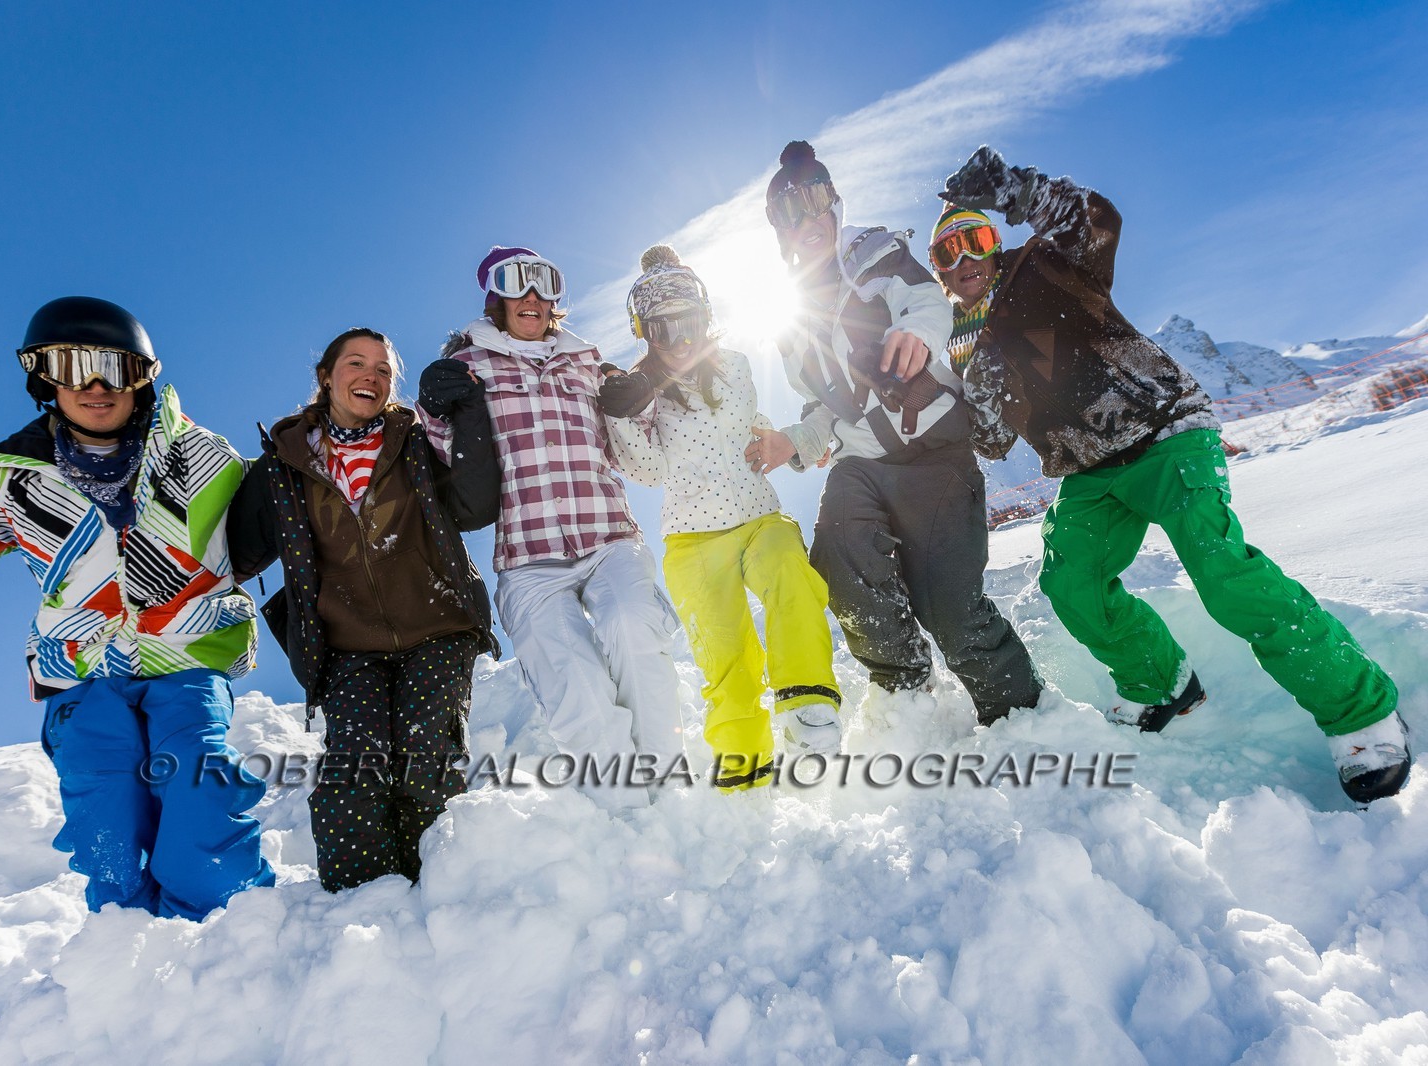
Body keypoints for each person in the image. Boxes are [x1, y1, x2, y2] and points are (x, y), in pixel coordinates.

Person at [933, 145, 1409, 804]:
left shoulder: (1047, 265)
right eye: (945, 257)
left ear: (993, 244)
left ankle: (1361, 714)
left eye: (973, 241)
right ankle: (1161, 684)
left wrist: (1014, 188)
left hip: (1164, 432)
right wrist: (977, 383)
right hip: (1091, 471)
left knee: (1222, 571)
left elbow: (1094, 221)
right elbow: (989, 441)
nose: (962, 263)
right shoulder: (969, 341)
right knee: (1072, 582)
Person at [0, 296, 275, 919]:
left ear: (143, 377)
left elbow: (306, 501)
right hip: (83, 673)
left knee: (199, 807)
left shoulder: (205, 459)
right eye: (72, 365)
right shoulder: (9, 482)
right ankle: (127, 959)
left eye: (113, 368)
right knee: (109, 835)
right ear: (45, 377)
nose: (94, 385)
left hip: (188, 658)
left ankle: (230, 938)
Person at [746, 141, 1042, 725]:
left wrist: (917, 335)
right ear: (777, 232)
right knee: (841, 555)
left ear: (834, 205)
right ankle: (904, 689)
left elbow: (925, 300)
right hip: (862, 464)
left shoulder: (873, 253)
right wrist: (794, 442)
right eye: (789, 212)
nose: (805, 220)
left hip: (936, 456)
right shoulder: (791, 320)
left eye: (814, 201)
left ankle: (1021, 717)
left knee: (951, 608)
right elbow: (822, 410)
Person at [228, 327, 499, 890]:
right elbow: (238, 553)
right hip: (348, 645)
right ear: (326, 377)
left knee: (428, 754)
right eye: (356, 363)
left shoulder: (417, 441)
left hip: (438, 624)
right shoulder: (284, 463)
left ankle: (437, 891)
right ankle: (362, 903)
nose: (370, 376)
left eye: (383, 368)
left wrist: (468, 411)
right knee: (353, 770)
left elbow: (475, 505)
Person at [418, 247, 687, 810]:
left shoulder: (585, 362)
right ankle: (622, 803)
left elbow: (629, 441)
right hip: (528, 553)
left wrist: (632, 399)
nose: (534, 300)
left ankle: (663, 783)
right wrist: (436, 410)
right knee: (572, 676)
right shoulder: (470, 367)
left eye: (546, 288)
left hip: (608, 534)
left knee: (633, 628)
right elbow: (448, 462)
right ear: (496, 299)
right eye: (519, 287)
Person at [600, 245, 842, 791]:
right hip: (692, 539)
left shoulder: (734, 365)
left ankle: (809, 708)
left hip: (757, 516)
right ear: (645, 332)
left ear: (708, 319)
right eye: (665, 331)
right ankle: (744, 779)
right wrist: (622, 414)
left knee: (790, 572)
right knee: (727, 660)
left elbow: (744, 420)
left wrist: (788, 441)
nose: (682, 342)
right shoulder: (645, 391)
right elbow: (650, 470)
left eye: (692, 324)